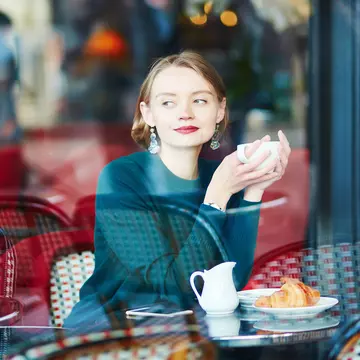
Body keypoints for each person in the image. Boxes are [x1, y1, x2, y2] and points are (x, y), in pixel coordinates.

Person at [64, 51, 291, 329]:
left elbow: (231, 281)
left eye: (199, 100)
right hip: (118, 333)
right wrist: (217, 196)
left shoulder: (220, 176)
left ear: (220, 110)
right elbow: (173, 285)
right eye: (169, 102)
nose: (186, 113)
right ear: (148, 113)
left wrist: (252, 192)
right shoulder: (122, 177)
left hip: (195, 330)